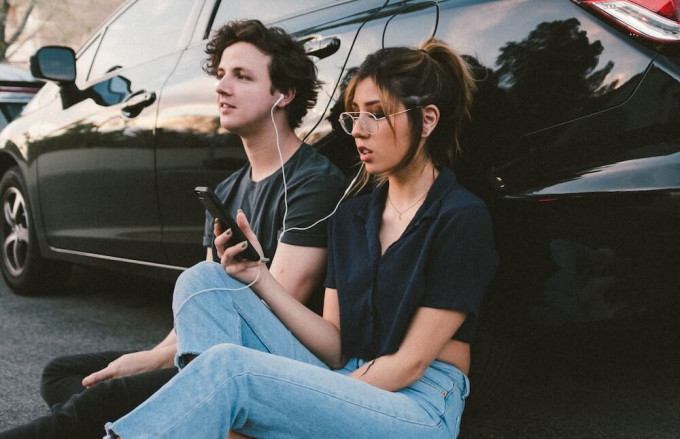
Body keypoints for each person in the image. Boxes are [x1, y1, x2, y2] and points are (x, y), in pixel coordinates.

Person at [104, 37, 498, 439]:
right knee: (203, 281)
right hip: (344, 374)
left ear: (427, 120)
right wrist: (257, 276)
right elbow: (333, 345)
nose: (358, 131)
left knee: (232, 373)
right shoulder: (351, 215)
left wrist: (277, 401)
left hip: (418, 402)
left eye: (376, 115)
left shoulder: (461, 218)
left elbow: (409, 364)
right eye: (353, 116)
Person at [0, 19, 346, 439]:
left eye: (242, 76)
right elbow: (199, 303)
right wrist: (156, 354)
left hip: (258, 366)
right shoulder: (226, 189)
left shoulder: (313, 183)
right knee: (65, 372)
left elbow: (268, 318)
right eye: (220, 75)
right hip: (207, 352)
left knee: (98, 399)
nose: (222, 87)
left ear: (284, 94)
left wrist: (154, 363)